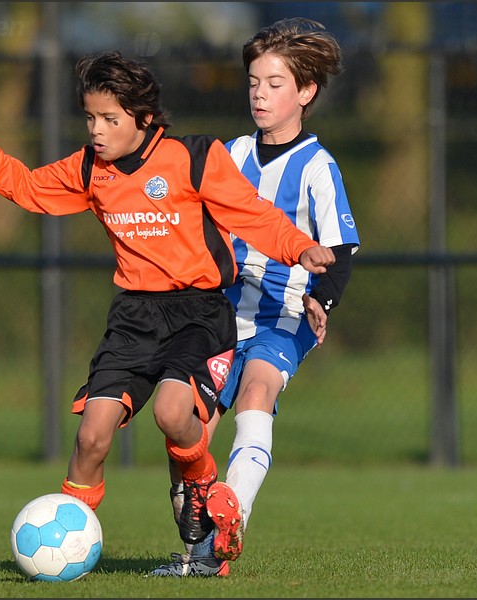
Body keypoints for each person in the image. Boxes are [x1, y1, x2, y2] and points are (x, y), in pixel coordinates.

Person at [0, 50, 334, 575]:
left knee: (175, 415)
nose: (97, 131)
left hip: (198, 313)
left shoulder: (194, 157)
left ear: (144, 119)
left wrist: (297, 246)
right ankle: (67, 546)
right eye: (90, 118)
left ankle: (201, 495)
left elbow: (252, 213)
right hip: (134, 318)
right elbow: (33, 189)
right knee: (91, 436)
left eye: (110, 119)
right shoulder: (89, 168)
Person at [153, 18, 360, 577]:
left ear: (306, 92)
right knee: (188, 434)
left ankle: (232, 513)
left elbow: (340, 250)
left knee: (257, 392)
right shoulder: (230, 154)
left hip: (284, 312)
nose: (260, 94)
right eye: (253, 82)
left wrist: (324, 300)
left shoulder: (318, 167)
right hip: (219, 314)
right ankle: (200, 552)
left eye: (274, 83)